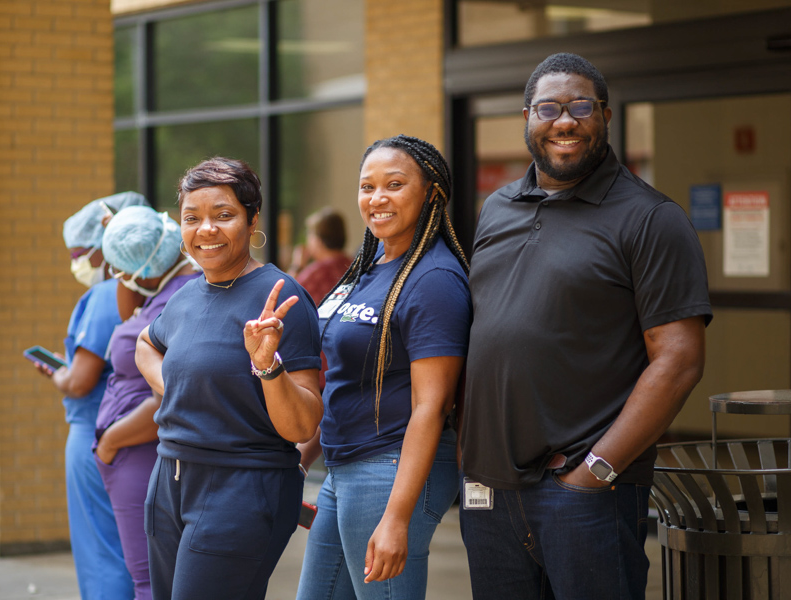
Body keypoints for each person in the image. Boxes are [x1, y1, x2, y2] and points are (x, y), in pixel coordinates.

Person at [459, 53, 712, 600]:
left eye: (581, 107)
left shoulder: (650, 219)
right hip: (490, 494)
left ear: (605, 116)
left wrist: (596, 472)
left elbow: (679, 359)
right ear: (527, 117)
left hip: (584, 494)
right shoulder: (498, 206)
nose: (565, 121)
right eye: (549, 108)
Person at [134, 157, 323, 600]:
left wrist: (267, 364)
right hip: (169, 476)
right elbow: (145, 343)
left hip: (241, 483)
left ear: (252, 219)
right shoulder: (186, 294)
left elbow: (302, 425)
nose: (206, 230)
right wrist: (178, 384)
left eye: (223, 215)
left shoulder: (280, 297)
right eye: (191, 218)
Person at [295, 134, 472, 600]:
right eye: (367, 186)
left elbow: (431, 406)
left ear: (432, 192)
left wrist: (397, 519)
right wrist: (302, 458)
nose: (377, 199)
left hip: (389, 471)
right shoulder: (370, 265)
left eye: (394, 185)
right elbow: (344, 380)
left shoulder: (433, 279)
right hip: (345, 467)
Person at [36, 191, 148, 600]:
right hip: (136, 435)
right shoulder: (153, 291)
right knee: (135, 555)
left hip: (98, 436)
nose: (78, 263)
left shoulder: (107, 294)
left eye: (82, 252)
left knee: (104, 554)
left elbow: (81, 380)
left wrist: (58, 374)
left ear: (108, 245)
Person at [94, 205, 200, 600]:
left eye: (119, 267)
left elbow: (168, 399)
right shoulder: (162, 291)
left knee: (150, 584)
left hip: (140, 454)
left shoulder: (181, 298)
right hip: (133, 453)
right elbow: (132, 309)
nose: (116, 276)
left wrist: (110, 442)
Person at [288, 207, 353, 390]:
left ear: (317, 240)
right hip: (350, 361)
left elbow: (284, 301)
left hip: (322, 368)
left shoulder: (314, 274)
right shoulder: (355, 265)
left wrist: (296, 265)